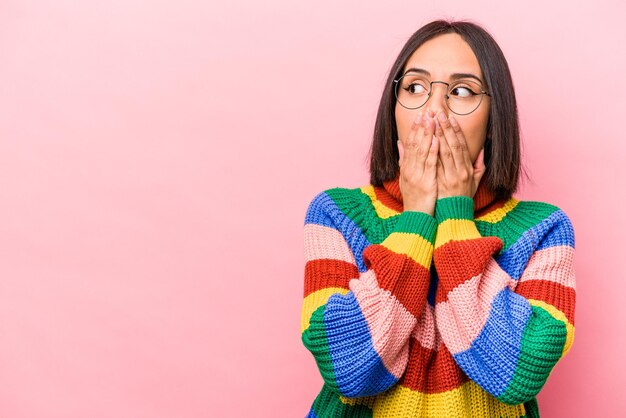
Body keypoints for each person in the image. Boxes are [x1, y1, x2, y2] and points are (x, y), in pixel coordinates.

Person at [300, 19, 576, 418]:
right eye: (414, 87)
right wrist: (416, 217)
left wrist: (455, 216)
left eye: (461, 92)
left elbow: (515, 372)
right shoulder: (336, 214)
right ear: (391, 107)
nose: (434, 111)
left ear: (495, 118)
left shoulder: (544, 229)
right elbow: (349, 369)